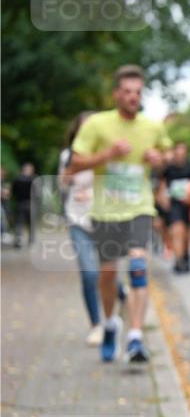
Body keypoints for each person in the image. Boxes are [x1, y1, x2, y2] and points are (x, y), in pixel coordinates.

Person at [68, 64, 172, 362]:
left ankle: (136, 337)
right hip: (106, 211)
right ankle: (111, 322)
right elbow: (74, 163)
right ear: (116, 94)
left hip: (139, 207)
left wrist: (159, 158)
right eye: (127, 92)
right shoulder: (97, 125)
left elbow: (166, 156)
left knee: (138, 265)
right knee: (108, 275)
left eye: (137, 92)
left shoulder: (152, 127)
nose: (132, 97)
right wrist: (107, 155)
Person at [58, 111, 104, 345]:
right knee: (89, 274)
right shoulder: (68, 155)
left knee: (108, 275)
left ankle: (121, 299)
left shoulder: (106, 154)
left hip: (104, 219)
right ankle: (96, 325)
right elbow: (62, 182)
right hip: (77, 219)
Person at [159, 142, 190, 273]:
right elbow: (162, 184)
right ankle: (179, 260)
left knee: (187, 233)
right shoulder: (169, 169)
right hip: (175, 204)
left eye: (183, 153)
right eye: (178, 153)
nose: (180, 155)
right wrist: (162, 198)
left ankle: (186, 257)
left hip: (189, 204)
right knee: (177, 231)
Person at [11, 162, 36, 248]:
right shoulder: (34, 179)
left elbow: (13, 191)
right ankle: (31, 240)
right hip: (30, 204)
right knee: (30, 223)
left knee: (19, 223)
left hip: (20, 203)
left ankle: (19, 240)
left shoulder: (17, 179)